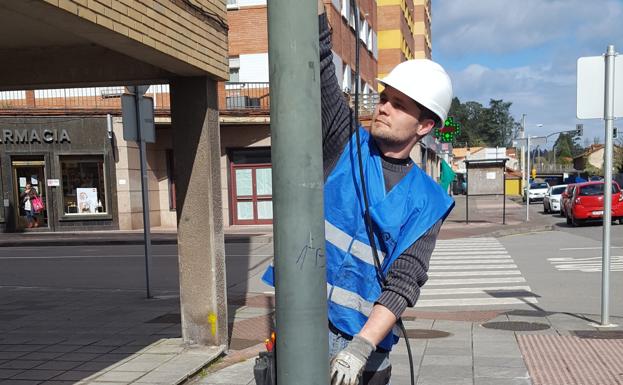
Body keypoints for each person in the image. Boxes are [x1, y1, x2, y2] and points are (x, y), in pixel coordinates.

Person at [263, 3, 455, 384]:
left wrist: (360, 348)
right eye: (385, 97)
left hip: (362, 354)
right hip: (304, 334)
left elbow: (405, 279)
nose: (382, 107)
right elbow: (320, 65)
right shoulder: (345, 142)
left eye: (398, 106)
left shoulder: (428, 201)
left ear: (425, 125)